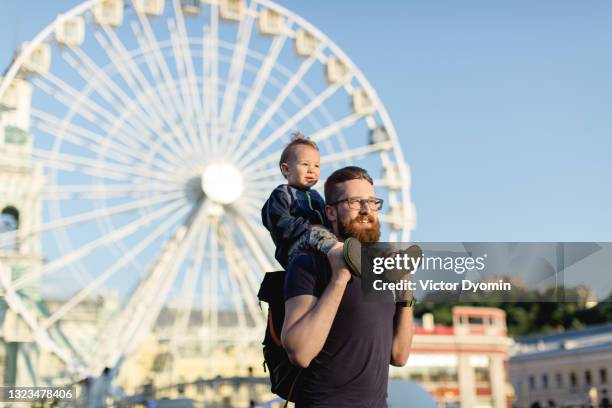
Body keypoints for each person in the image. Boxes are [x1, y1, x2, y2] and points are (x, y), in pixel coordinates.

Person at [281, 166, 415, 407]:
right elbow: (300, 353)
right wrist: (339, 277)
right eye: (355, 202)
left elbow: (399, 356)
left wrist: (405, 294)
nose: (366, 210)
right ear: (331, 213)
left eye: (373, 202)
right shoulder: (308, 264)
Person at [261, 133, 358, 279]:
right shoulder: (282, 194)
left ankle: (357, 259)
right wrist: (309, 227)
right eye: (305, 164)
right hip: (295, 247)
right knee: (319, 233)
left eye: (316, 165)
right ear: (286, 169)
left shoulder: (317, 197)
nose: (311, 170)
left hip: (321, 245)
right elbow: (280, 223)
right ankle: (345, 255)